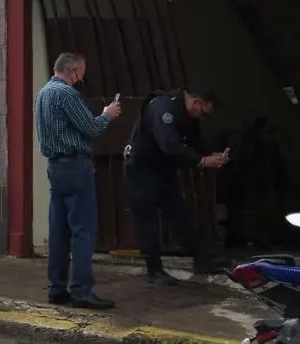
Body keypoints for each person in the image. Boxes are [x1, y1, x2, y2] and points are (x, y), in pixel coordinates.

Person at [36, 52, 121, 309]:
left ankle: (57, 289)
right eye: (80, 74)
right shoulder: (65, 94)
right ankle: (82, 291)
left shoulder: (43, 94)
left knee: (59, 231)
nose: (80, 79)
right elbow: (92, 128)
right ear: (72, 70)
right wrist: (108, 113)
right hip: (75, 166)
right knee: (83, 232)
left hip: (55, 168)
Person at [122, 88, 230, 286]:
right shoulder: (164, 108)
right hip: (142, 167)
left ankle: (201, 258)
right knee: (147, 219)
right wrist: (201, 161)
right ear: (196, 102)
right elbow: (169, 144)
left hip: (163, 168)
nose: (203, 118)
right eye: (204, 113)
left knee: (179, 213)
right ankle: (154, 270)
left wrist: (211, 154)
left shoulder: (188, 116)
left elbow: (195, 141)